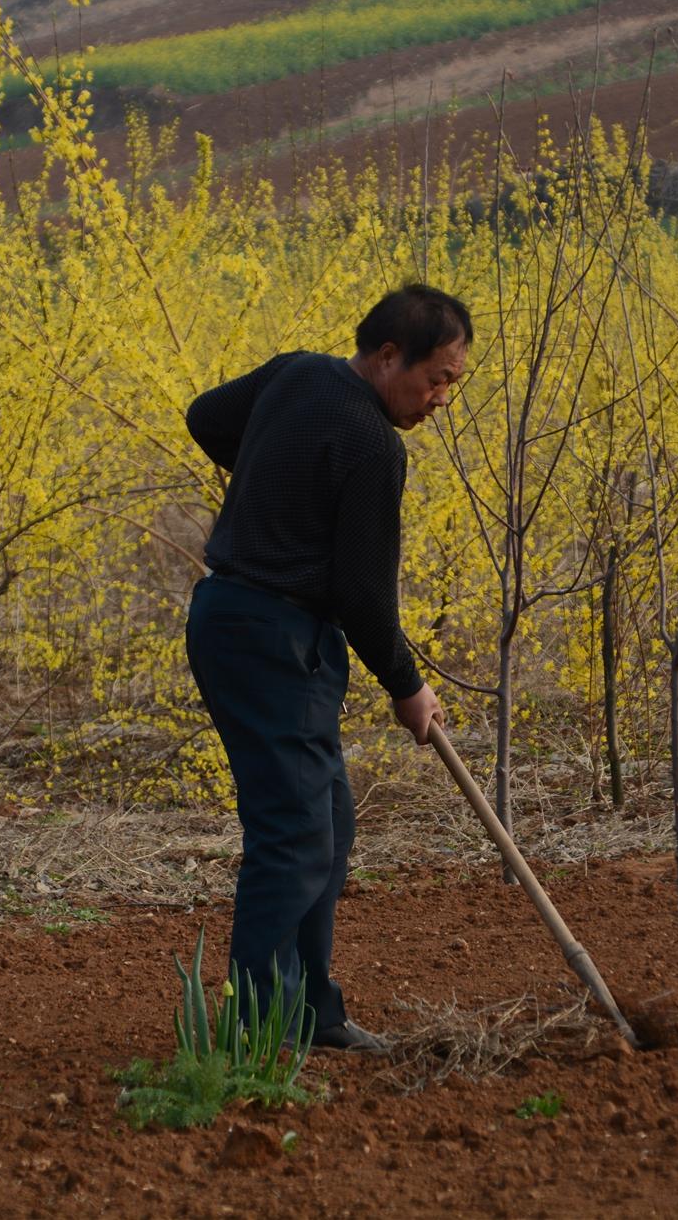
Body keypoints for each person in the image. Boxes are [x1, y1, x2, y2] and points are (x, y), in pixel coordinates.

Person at [183, 283, 470, 1053]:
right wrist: (408, 688)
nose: (442, 397)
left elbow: (205, 417)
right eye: (437, 377)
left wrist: (276, 481)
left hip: (226, 618)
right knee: (296, 834)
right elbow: (363, 595)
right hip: (276, 636)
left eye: (454, 382)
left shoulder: (297, 373)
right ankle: (255, 1032)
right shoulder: (375, 445)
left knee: (327, 823)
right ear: (386, 356)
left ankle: (311, 1011)